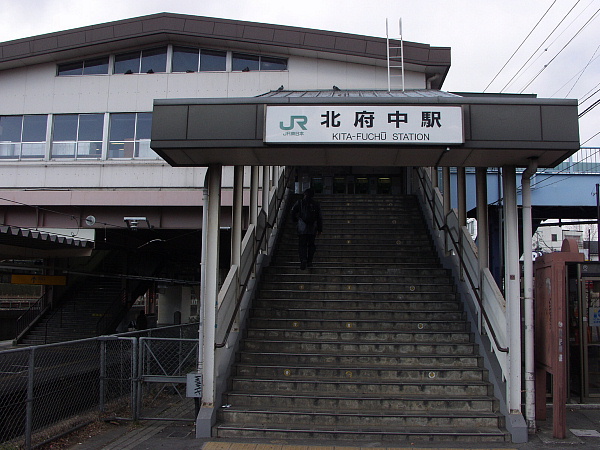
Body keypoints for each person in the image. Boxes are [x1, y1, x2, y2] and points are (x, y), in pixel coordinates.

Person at [291, 188, 323, 270]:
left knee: (302, 245)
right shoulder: (316, 204)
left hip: (302, 228)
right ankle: (309, 261)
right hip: (312, 228)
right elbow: (319, 217)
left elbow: (293, 211)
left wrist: (295, 220)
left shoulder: (300, 202)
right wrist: (320, 229)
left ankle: (303, 260)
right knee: (311, 245)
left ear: (304, 194)